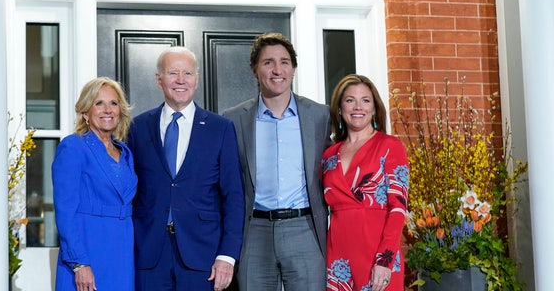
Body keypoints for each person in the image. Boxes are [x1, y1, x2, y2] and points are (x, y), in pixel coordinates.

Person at [127, 46, 245, 291]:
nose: (181, 80)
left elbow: (233, 196)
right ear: (159, 80)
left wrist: (227, 255)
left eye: (187, 73)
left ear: (197, 79)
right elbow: (131, 194)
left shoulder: (220, 128)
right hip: (149, 255)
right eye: (172, 73)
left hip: (203, 256)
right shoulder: (137, 127)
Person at [222, 32, 331, 291]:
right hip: (254, 230)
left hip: (304, 227)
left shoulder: (319, 115)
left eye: (284, 62)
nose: (277, 70)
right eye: (268, 62)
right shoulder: (233, 119)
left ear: (293, 69)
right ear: (254, 70)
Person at [321, 74, 409, 291]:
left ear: (374, 108)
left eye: (365, 100)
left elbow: (398, 208)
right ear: (340, 108)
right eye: (350, 100)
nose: (357, 107)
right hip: (338, 256)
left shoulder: (390, 146)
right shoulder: (329, 156)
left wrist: (385, 259)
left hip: (377, 254)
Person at [52, 77, 138, 291]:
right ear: (85, 112)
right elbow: (65, 212)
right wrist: (79, 262)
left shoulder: (125, 152)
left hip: (122, 251)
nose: (107, 110)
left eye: (113, 103)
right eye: (99, 103)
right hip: (88, 250)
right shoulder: (73, 147)